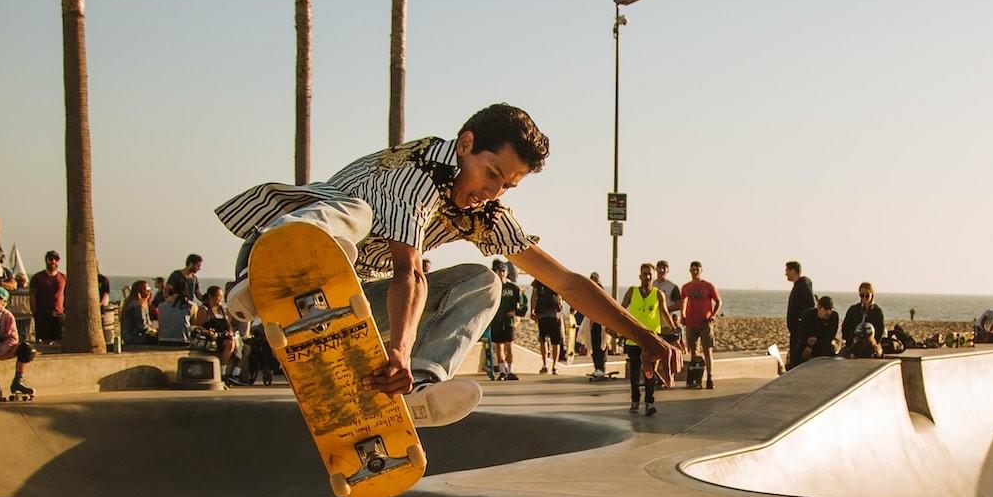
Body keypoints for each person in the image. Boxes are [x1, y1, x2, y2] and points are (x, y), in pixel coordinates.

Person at [215, 104, 680, 427]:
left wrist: (646, 338)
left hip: (343, 303)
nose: (492, 191)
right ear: (465, 144)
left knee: (485, 282)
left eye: (508, 186)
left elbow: (567, 283)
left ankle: (417, 387)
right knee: (354, 215)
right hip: (273, 261)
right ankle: (263, 284)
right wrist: (397, 344)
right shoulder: (418, 172)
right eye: (492, 173)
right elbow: (409, 273)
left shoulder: (485, 214)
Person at [620, 262, 678, 414]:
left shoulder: (658, 294)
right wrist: (615, 326)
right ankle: (635, 400)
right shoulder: (632, 292)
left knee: (650, 371)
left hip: (652, 340)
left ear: (653, 277)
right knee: (634, 371)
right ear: (640, 276)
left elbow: (665, 313)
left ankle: (649, 402)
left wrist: (674, 330)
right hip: (634, 338)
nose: (646, 277)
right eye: (644, 274)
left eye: (649, 274)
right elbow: (621, 309)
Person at [678, 261, 721, 389]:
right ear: (690, 271)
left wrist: (713, 315)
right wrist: (683, 315)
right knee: (693, 351)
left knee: (707, 350)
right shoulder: (686, 287)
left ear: (701, 270)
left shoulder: (708, 286)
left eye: (697, 269)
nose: (695, 271)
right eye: (692, 269)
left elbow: (718, 301)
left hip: (705, 322)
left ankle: (710, 377)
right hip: (691, 322)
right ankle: (695, 379)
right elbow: (683, 301)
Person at [488, 259, 527, 380]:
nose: (501, 273)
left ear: (507, 272)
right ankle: (502, 371)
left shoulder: (513, 288)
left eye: (503, 270)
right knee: (498, 347)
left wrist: (516, 312)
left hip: (508, 322)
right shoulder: (492, 288)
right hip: (496, 322)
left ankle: (510, 371)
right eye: (498, 271)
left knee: (509, 346)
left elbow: (523, 303)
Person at [28, 252, 67, 344]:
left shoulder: (63, 278)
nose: (53, 262)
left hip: (59, 315)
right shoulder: (37, 277)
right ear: (46, 260)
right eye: (50, 259)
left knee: (60, 341)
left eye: (56, 260)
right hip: (42, 314)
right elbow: (32, 295)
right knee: (43, 342)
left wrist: (66, 311)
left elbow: (67, 294)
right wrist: (34, 311)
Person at [530, 274, 565, 375]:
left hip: (555, 314)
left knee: (555, 341)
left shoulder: (557, 279)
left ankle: (554, 365)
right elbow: (534, 295)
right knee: (543, 339)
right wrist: (532, 309)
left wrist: (563, 305)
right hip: (542, 313)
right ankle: (545, 364)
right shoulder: (539, 279)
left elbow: (563, 293)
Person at [841, 283, 887, 361]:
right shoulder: (853, 310)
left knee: (877, 353)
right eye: (862, 295)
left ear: (872, 295)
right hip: (854, 343)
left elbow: (880, 330)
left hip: (871, 343)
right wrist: (851, 338)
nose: (864, 298)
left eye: (867, 295)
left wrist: (874, 341)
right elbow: (845, 327)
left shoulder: (877, 311)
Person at [793, 295, 841, 366]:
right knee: (797, 352)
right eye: (825, 309)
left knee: (828, 350)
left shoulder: (833, 317)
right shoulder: (808, 315)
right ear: (819, 307)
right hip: (807, 344)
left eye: (830, 309)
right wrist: (807, 341)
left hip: (823, 345)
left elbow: (829, 337)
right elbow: (801, 333)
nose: (828, 312)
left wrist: (812, 346)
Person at [582, 271, 610, 380]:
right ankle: (597, 367)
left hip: (600, 322)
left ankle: (601, 368)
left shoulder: (600, 290)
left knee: (601, 345)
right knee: (593, 346)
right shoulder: (589, 290)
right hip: (591, 322)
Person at [784, 261, 814, 360]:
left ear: (793, 271)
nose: (785, 273)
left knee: (797, 358)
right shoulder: (798, 286)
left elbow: (808, 307)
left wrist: (801, 324)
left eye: (787, 270)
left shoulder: (803, 287)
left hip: (799, 333)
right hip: (796, 331)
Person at [156, 283, 196, 348]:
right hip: (183, 341)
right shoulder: (190, 306)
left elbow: (161, 323)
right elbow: (193, 325)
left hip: (163, 340)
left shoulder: (161, 306)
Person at [120, 280, 157, 347]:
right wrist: (153, 331)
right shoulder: (138, 305)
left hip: (129, 337)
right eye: (147, 290)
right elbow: (142, 325)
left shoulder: (134, 303)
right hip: (135, 337)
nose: (149, 292)